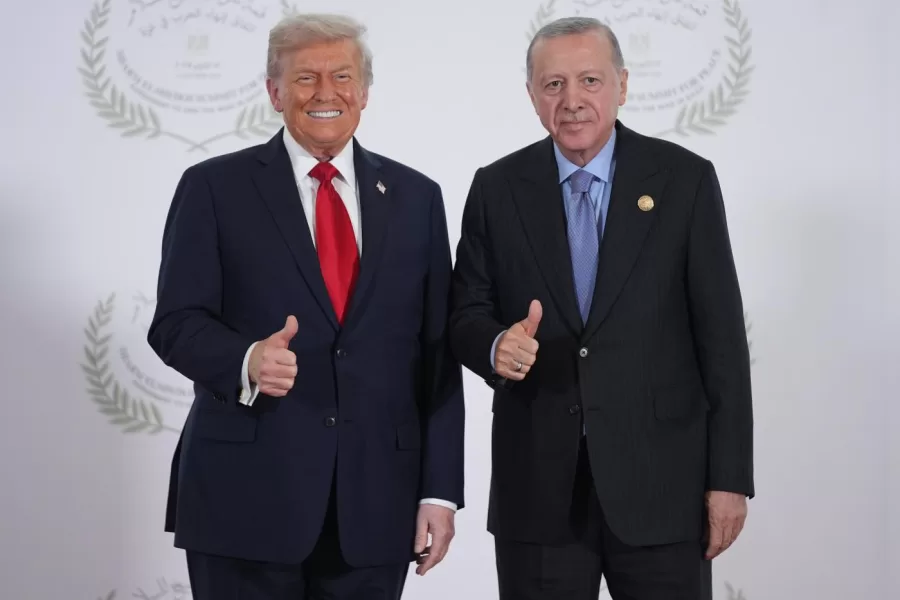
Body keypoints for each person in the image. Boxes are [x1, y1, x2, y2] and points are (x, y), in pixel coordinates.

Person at [147, 13, 464, 600]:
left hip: (376, 506)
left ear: (364, 91)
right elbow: (174, 324)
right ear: (274, 92)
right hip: (244, 501)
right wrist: (244, 359)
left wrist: (438, 492)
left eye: (342, 76)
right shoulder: (213, 187)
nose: (326, 93)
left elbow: (437, 354)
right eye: (304, 78)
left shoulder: (418, 198)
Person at [449, 16, 754, 600]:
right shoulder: (497, 187)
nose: (572, 101)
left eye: (589, 80)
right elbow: (466, 311)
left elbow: (721, 343)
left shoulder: (684, 181)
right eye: (553, 84)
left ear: (622, 84)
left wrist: (729, 479)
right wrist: (494, 345)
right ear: (533, 95)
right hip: (539, 493)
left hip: (662, 489)